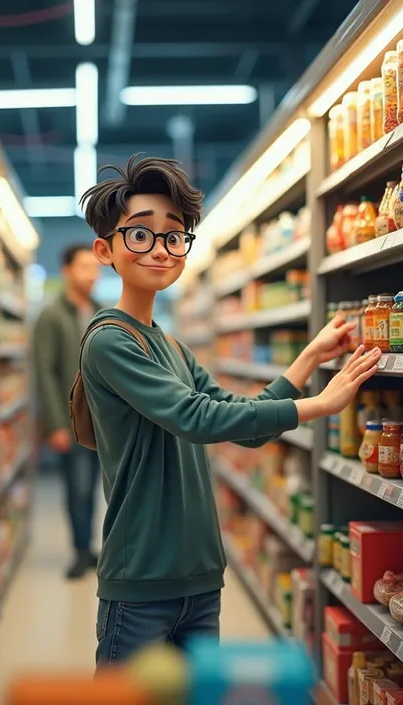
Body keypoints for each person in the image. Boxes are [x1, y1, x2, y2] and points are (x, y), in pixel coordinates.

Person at [78, 154, 381, 665]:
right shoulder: (110, 342)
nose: (160, 249)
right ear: (106, 250)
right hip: (141, 584)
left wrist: (308, 359)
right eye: (140, 234)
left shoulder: (172, 346)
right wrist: (318, 406)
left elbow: (245, 424)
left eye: (173, 236)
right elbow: (198, 419)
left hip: (201, 580)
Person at [33, 243, 101, 579]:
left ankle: (92, 548)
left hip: (105, 423)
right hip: (72, 421)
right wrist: (56, 424)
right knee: (78, 488)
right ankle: (80, 550)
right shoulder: (51, 315)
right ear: (67, 271)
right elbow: (43, 371)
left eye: (96, 268)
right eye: (84, 267)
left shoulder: (104, 311)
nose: (92, 275)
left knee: (100, 487)